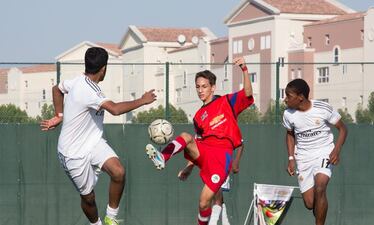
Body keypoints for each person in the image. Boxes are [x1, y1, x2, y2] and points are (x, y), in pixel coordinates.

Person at [41, 47, 156, 225]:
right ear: (104, 69)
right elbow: (115, 110)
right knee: (89, 198)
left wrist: (59, 116)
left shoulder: (77, 81)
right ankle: (97, 224)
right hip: (72, 153)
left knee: (119, 172)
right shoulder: (90, 90)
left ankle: (111, 217)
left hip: (93, 142)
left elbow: (57, 89)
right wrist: (142, 100)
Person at [145, 57, 253, 225]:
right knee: (186, 136)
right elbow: (195, 144)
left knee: (203, 203)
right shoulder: (198, 117)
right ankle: (162, 157)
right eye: (197, 87)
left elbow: (247, 93)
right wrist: (188, 167)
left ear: (213, 87)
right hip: (205, 151)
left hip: (221, 156)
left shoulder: (226, 101)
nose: (200, 90)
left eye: (204, 86)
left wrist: (245, 69)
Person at [282, 79, 347, 225]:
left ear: (301, 97)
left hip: (324, 152)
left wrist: (336, 150)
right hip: (303, 157)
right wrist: (291, 158)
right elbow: (289, 134)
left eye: (288, 95)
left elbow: (343, 129)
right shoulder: (288, 114)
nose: (285, 99)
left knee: (320, 186)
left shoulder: (322, 108)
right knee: (310, 203)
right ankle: (319, 211)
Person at [178, 144, 245, 225]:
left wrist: (236, 161)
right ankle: (225, 222)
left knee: (217, 196)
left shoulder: (227, 132)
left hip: (222, 164)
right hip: (207, 166)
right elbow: (195, 152)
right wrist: (188, 168)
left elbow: (240, 143)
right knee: (214, 197)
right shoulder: (200, 134)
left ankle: (215, 222)